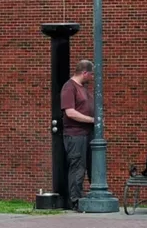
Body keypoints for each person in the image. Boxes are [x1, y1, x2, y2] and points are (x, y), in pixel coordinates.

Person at [59, 59, 96, 211]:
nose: (92, 77)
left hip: (87, 133)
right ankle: (76, 200)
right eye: (91, 74)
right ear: (84, 73)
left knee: (91, 165)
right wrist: (92, 120)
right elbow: (70, 112)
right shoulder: (69, 87)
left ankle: (92, 195)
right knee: (77, 166)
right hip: (75, 134)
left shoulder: (84, 88)